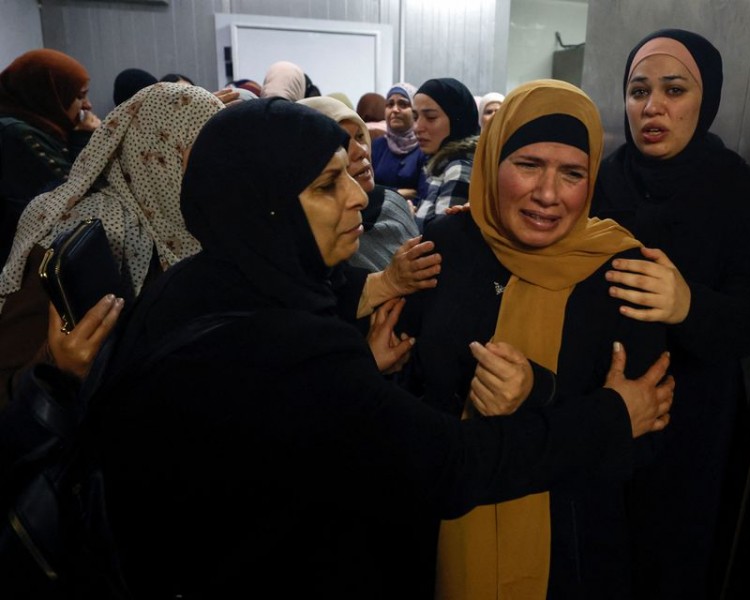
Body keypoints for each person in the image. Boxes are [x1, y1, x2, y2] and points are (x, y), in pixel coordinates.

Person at [89, 97, 673, 597]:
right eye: (325, 185)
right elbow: (444, 460)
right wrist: (604, 414)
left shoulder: (192, 285)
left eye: (573, 173)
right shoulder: (426, 260)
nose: (359, 197)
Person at [397, 79, 669, 599]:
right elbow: (406, 387)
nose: (547, 194)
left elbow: (642, 441)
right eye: (527, 164)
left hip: (567, 545)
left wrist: (537, 393)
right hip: (438, 524)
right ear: (492, 159)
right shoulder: (448, 244)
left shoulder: (623, 272)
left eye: (572, 173)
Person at [591, 29, 750, 599]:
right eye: (638, 90)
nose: (652, 107)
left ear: (707, 99)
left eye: (674, 90)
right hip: (597, 404)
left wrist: (688, 303)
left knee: (667, 564)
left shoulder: (742, 191)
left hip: (691, 421)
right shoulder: (600, 179)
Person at [0, 83, 224, 409]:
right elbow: (7, 380)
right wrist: (57, 366)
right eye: (200, 159)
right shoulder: (80, 233)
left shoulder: (192, 225)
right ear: (155, 155)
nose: (218, 177)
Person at [0, 49, 101, 265]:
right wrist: (84, 138)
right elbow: (72, 193)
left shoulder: (46, 129)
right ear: (47, 95)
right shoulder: (15, 134)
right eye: (79, 96)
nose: (88, 105)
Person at [299, 95, 421, 272]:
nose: (362, 151)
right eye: (342, 143)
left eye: (360, 136)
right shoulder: (307, 235)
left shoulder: (391, 203)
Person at [413, 77, 479, 229]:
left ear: (458, 120)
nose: (418, 127)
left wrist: (405, 221)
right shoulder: (442, 163)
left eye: (430, 117)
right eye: (415, 117)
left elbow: (440, 237)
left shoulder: (460, 167)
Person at [371, 82, 428, 203]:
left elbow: (423, 195)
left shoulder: (424, 145)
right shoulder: (377, 145)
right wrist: (400, 193)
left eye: (403, 104)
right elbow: (367, 191)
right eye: (390, 104)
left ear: (415, 111)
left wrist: (381, 193)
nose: (395, 110)